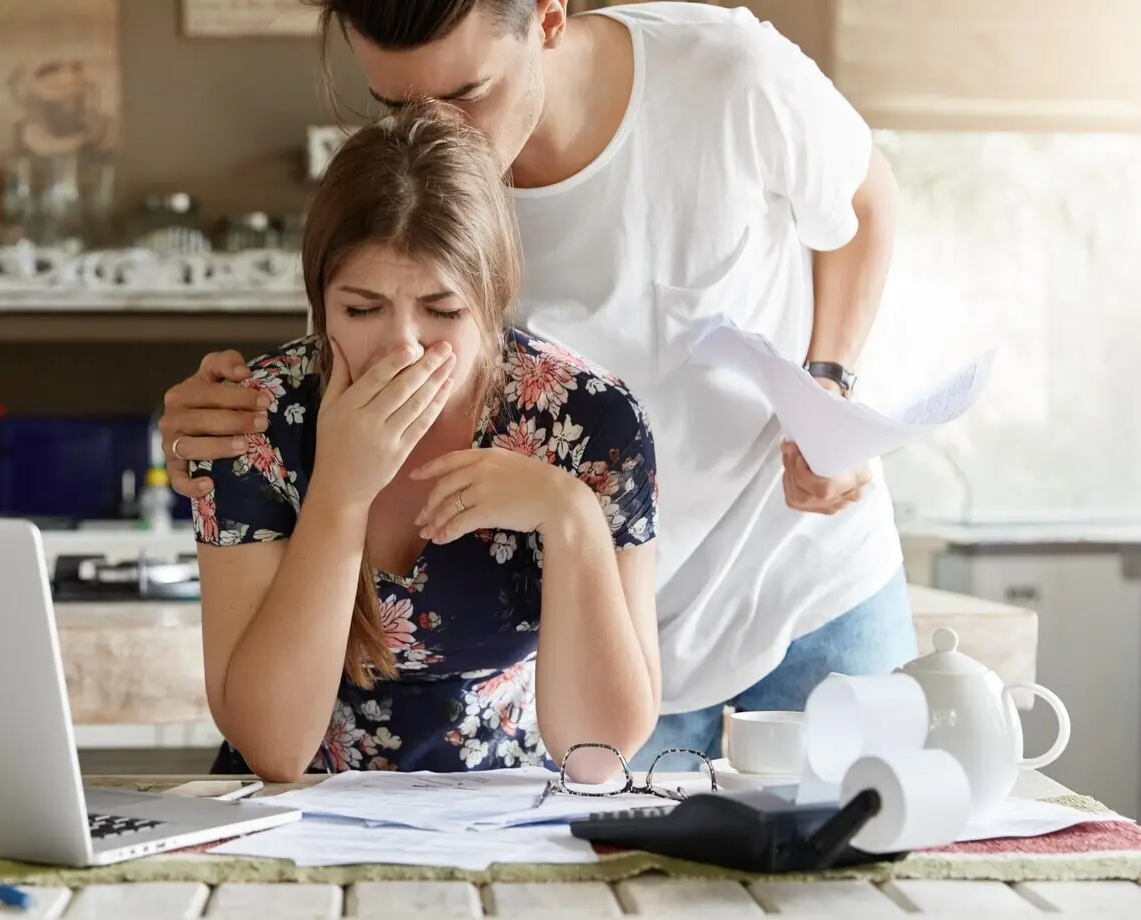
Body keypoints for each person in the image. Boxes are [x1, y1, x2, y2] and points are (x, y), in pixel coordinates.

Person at [161, 1, 913, 765]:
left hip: (792, 562)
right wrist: (224, 428)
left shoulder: (726, 75)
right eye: (394, 105)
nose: (433, 135)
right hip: (594, 624)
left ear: (548, 19)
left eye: (463, 96)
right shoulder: (411, 203)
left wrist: (830, 385)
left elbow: (865, 202)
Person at [192, 100, 662, 782]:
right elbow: (273, 749)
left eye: (442, 311)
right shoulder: (253, 422)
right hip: (294, 818)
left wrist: (571, 516)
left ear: (495, 299)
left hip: (507, 813)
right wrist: (341, 493)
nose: (402, 345)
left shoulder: (592, 423)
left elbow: (601, 754)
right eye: (361, 309)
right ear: (318, 299)